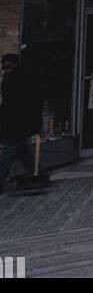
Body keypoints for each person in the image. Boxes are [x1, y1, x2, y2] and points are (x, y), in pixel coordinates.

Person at [0, 53, 42, 193]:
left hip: (18, 122)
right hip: (14, 121)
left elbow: (33, 102)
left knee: (9, 150)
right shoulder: (10, 78)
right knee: (21, 149)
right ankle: (36, 172)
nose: (5, 68)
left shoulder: (21, 79)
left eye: (7, 65)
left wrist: (36, 123)